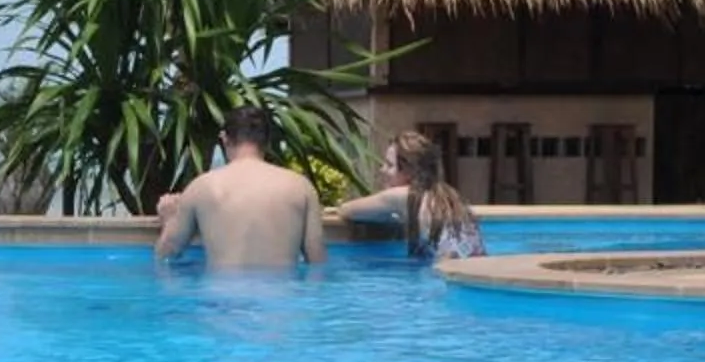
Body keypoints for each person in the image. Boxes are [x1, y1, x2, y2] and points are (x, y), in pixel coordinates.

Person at [152, 104, 327, 269]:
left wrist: (169, 220)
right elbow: (317, 262)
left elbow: (166, 255)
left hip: (223, 291)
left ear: (224, 138)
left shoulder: (202, 187)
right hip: (283, 291)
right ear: (267, 141)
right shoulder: (301, 187)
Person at [333, 131, 486, 261]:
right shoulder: (450, 196)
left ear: (408, 172)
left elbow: (346, 210)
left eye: (389, 165)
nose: (382, 170)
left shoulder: (403, 196)